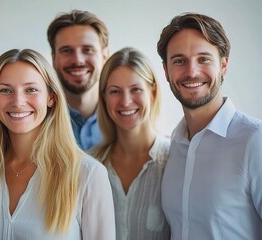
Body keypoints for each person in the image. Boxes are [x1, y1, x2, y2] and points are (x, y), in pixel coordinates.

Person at [0, 49, 115, 240]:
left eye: (31, 89)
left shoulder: (89, 175)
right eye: (5, 90)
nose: (18, 102)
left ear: (51, 97)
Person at [157, 12, 262, 239]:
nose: (191, 72)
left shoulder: (255, 140)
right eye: (179, 60)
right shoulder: (173, 145)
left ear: (223, 65)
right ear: (166, 71)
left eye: (203, 59)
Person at [92, 47, 170, 240]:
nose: (126, 102)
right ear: (104, 97)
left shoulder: (176, 161)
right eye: (115, 91)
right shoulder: (90, 166)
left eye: (135, 89)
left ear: (152, 93)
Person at [47, 9, 109, 151]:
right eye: (66, 50)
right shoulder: (36, 120)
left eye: (87, 49)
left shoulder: (125, 113)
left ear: (105, 56)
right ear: (54, 59)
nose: (78, 60)